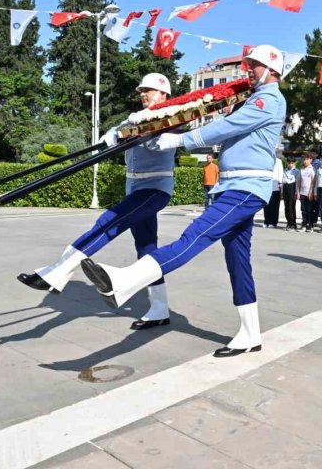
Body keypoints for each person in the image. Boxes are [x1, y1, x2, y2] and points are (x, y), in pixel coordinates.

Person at [79, 45, 287, 357]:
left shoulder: (268, 99)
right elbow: (230, 128)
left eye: (255, 66)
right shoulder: (253, 100)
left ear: (272, 70)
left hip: (244, 188)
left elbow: (228, 128)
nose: (249, 70)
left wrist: (181, 139)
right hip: (233, 186)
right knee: (237, 259)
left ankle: (126, 280)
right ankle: (250, 333)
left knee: (194, 237)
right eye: (249, 64)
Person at [18, 73, 178, 330]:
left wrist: (135, 128)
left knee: (108, 222)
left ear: (163, 95)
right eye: (141, 90)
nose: (143, 94)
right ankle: (159, 307)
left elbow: (159, 140)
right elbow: (116, 131)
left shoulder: (171, 117)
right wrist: (114, 133)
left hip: (154, 189)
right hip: (135, 189)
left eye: (148, 90)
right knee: (146, 247)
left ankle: (59, 271)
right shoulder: (134, 118)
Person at [263, 154, 283, 228]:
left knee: (274, 206)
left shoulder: (278, 161)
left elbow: (280, 172)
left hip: (275, 187)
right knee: (266, 205)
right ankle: (266, 221)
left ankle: (273, 222)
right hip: (266, 186)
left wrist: (280, 183)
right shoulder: (265, 160)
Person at [297, 152, 315, 231]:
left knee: (309, 210)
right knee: (303, 210)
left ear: (311, 160)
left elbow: (313, 182)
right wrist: (298, 192)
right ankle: (304, 224)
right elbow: (299, 182)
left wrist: (311, 192)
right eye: (304, 159)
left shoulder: (312, 169)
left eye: (307, 159)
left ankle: (310, 225)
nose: (305, 161)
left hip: (309, 193)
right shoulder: (301, 170)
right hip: (302, 193)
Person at [281, 157, 299, 230]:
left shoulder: (296, 171)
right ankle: (288, 223)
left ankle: (293, 224)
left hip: (292, 188)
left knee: (291, 207)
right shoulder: (284, 170)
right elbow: (282, 181)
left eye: (292, 163)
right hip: (285, 188)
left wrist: (296, 192)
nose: (290, 165)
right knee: (286, 207)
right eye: (289, 163)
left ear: (294, 163)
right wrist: (282, 191)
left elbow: (298, 183)